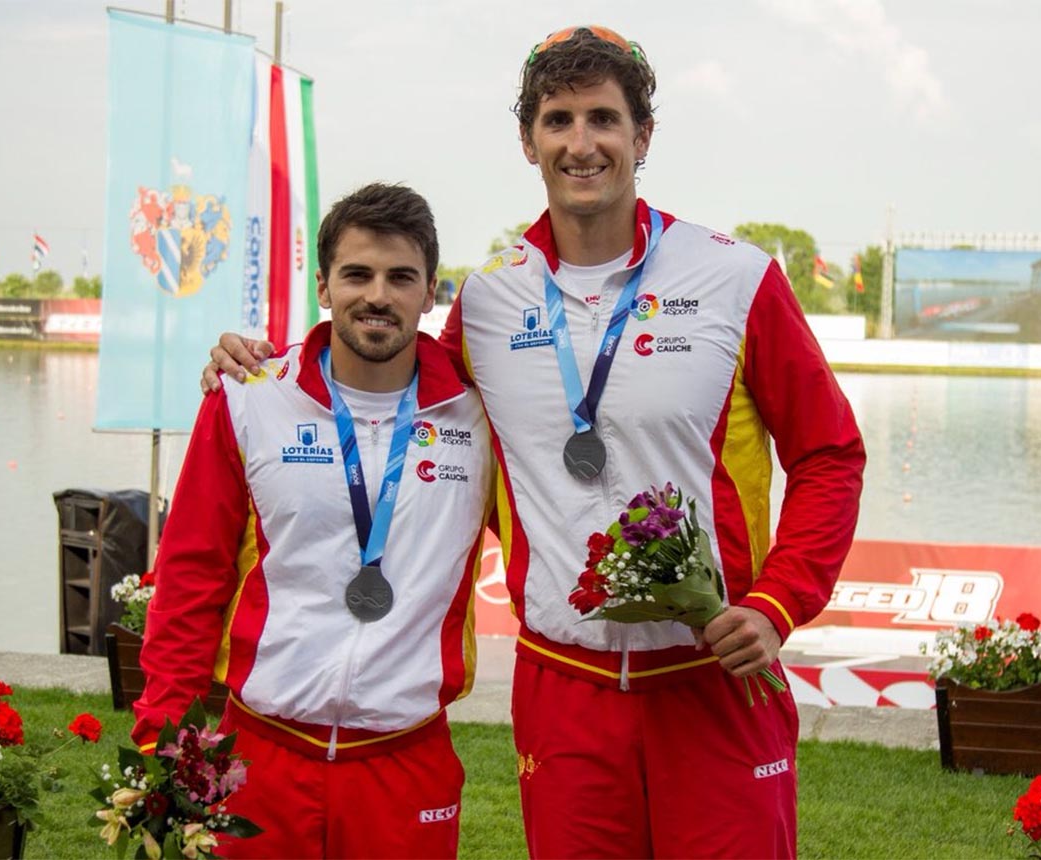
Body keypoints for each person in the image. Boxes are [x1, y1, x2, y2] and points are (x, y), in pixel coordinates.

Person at [204, 26, 865, 859]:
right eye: (558, 120)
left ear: (643, 137)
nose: (580, 143)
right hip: (566, 689)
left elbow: (830, 455)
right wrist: (256, 359)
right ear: (528, 140)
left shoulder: (735, 278)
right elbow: (379, 357)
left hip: (714, 676)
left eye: (603, 119)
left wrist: (778, 602)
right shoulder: (487, 302)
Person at [136, 182, 493, 859]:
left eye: (400, 277)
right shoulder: (250, 397)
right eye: (357, 274)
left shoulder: (482, 418)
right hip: (261, 754)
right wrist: (165, 732)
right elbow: (191, 573)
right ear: (324, 286)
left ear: (431, 292)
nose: (378, 295)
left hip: (406, 761)